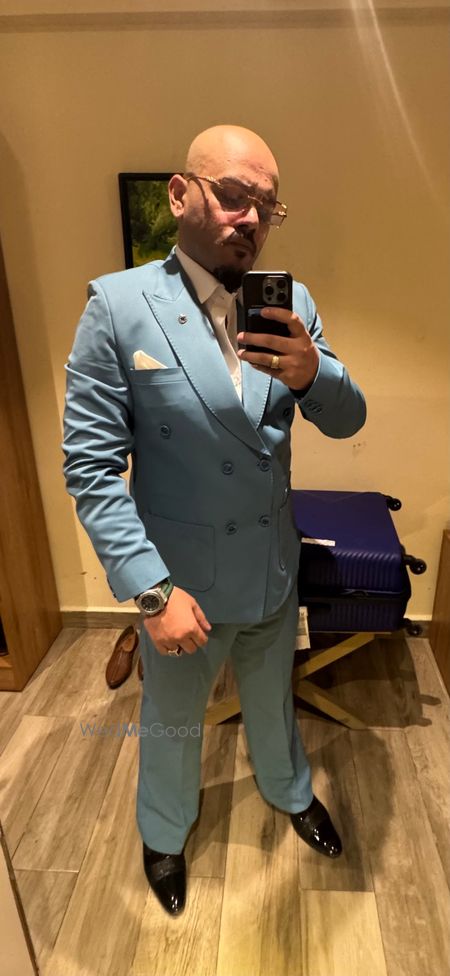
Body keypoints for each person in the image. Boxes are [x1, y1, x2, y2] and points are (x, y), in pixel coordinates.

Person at [63, 124, 366, 917]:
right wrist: (152, 594)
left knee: (273, 699)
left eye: (268, 205)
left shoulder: (290, 303)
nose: (252, 217)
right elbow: (90, 468)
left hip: (271, 568)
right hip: (182, 589)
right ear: (180, 194)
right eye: (234, 195)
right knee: (170, 722)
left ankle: (289, 790)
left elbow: (348, 419)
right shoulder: (118, 307)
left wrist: (315, 373)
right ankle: (163, 834)